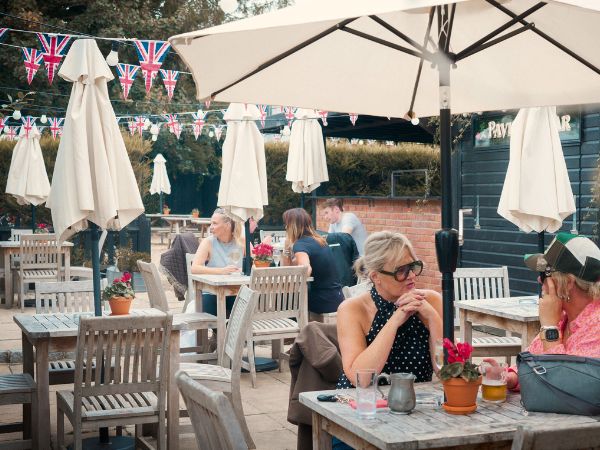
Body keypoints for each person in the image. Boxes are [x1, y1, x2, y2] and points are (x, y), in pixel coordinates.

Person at [489, 232, 600, 390]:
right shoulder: (563, 318)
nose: (539, 280)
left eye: (544, 274)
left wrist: (549, 329)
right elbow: (532, 364)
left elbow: (564, 384)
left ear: (568, 283)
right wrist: (510, 377)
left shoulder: (596, 325)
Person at [336, 231, 443, 388]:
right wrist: (395, 320)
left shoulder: (431, 301)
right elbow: (361, 380)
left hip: (414, 402)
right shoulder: (353, 309)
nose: (412, 275)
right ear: (375, 277)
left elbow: (447, 371)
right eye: (401, 271)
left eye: (413, 266)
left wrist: (433, 319)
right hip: (363, 402)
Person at [281, 208, 344, 314]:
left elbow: (306, 268)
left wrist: (292, 286)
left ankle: (295, 328)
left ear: (292, 226)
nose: (285, 227)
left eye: (286, 224)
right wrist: (286, 249)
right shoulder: (318, 240)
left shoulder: (300, 244)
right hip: (336, 297)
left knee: (285, 301)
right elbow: (290, 266)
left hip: (323, 301)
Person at [191, 208, 243, 316]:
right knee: (207, 306)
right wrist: (221, 271)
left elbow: (256, 263)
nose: (211, 227)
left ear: (227, 225)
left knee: (249, 305)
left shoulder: (241, 241)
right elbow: (195, 268)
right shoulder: (208, 242)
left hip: (236, 291)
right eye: (211, 223)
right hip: (211, 292)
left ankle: (232, 332)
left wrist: (245, 269)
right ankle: (221, 332)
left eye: (214, 223)